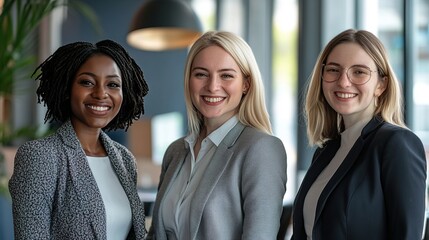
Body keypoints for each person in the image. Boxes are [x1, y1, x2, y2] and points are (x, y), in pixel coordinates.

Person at [147, 31, 287, 240]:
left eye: (226, 75)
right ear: (189, 80)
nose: (212, 86)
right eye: (201, 74)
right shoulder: (176, 151)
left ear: (246, 84)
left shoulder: (261, 148)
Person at [290, 29, 427, 240]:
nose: (343, 82)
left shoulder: (397, 144)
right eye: (334, 70)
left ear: (381, 84)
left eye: (359, 72)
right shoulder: (327, 150)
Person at [9, 39, 149, 239]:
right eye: (87, 82)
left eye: (112, 84)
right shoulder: (40, 156)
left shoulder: (125, 159)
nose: (101, 93)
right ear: (67, 89)